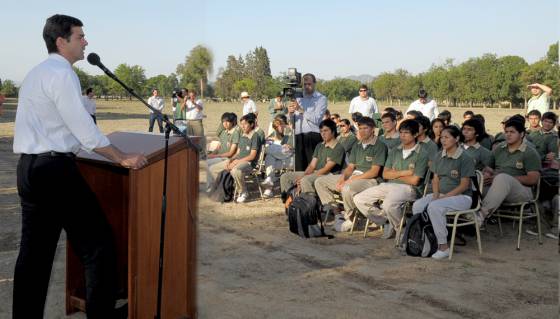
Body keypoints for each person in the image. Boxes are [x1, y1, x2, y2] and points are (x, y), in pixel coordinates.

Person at [12, 14, 147, 318]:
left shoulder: (35, 73)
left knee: (34, 256)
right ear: (62, 42)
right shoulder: (62, 74)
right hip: (54, 171)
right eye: (80, 37)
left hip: (30, 169)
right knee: (98, 246)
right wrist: (122, 157)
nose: (86, 41)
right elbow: (83, 129)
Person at [353, 120, 430, 239]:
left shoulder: (422, 153)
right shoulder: (395, 151)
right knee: (359, 199)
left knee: (389, 204)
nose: (403, 136)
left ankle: (402, 230)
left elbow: (414, 181)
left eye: (406, 133)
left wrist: (394, 173)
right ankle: (388, 220)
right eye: (401, 133)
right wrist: (405, 173)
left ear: (415, 135)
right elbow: (385, 174)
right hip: (389, 185)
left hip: (410, 189)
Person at [412, 126, 476, 259]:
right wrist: (436, 195)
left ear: (457, 138)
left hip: (462, 197)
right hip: (441, 195)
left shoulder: (465, 158)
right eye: (441, 137)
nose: (443, 140)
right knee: (417, 206)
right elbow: (435, 179)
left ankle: (443, 246)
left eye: (447, 137)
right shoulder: (439, 155)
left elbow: (464, 185)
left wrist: (443, 198)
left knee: (435, 207)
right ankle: (426, 239)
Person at [314, 117, 387, 222]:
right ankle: (337, 213)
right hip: (354, 177)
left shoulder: (379, 146)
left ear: (373, 129)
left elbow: (374, 172)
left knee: (347, 188)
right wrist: (343, 179)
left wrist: (351, 180)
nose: (362, 131)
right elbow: (350, 167)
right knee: (320, 181)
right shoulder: (357, 145)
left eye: (365, 128)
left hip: (370, 179)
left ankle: (350, 218)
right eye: (360, 128)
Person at [479, 117, 541, 220]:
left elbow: (533, 179)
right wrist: (486, 175)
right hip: (498, 187)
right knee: (474, 181)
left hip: (522, 191)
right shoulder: (499, 148)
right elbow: (488, 168)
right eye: (506, 131)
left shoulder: (529, 152)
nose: (508, 134)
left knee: (502, 178)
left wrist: (506, 178)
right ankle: (463, 215)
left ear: (521, 134)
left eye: (512, 132)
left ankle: (480, 216)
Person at [280, 119, 344, 196]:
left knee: (305, 180)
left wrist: (305, 177)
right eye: (321, 131)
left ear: (333, 131)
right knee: (285, 177)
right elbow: (312, 165)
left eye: (325, 131)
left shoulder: (338, 147)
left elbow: (326, 169)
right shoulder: (320, 145)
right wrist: (303, 176)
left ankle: (309, 203)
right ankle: (290, 203)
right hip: (315, 173)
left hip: (329, 175)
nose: (323, 134)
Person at [288, 73, 328, 171]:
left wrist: (301, 110)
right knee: (299, 168)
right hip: (298, 135)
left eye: (309, 84)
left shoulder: (321, 99)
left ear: (315, 83)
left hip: (313, 136)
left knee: (312, 168)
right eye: (304, 84)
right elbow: (292, 123)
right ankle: (299, 186)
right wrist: (290, 114)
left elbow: (317, 119)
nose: (306, 86)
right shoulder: (298, 98)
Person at [223, 114, 264, 203]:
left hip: (249, 163)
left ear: (252, 124)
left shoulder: (255, 136)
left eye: (245, 124)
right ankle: (227, 191)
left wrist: (237, 162)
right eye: (241, 124)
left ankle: (243, 192)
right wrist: (230, 160)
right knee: (226, 167)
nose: (243, 126)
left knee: (235, 170)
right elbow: (238, 153)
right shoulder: (242, 136)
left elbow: (252, 156)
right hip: (240, 161)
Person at [206, 112, 240, 190]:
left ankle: (211, 187)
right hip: (220, 157)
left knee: (208, 164)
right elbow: (219, 146)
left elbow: (231, 153)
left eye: (227, 121)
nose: (225, 124)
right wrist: (211, 154)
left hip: (227, 159)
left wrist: (214, 156)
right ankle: (212, 185)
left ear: (232, 122)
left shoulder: (235, 133)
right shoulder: (224, 132)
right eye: (223, 122)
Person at [262, 114, 294, 197]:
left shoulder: (290, 132)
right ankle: (269, 187)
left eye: (281, 124)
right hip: (279, 161)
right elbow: (266, 141)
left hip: (290, 159)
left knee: (271, 150)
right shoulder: (274, 133)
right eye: (277, 124)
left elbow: (290, 148)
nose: (279, 126)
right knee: (270, 157)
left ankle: (269, 184)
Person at [183, 90, 206, 156]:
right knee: (189, 137)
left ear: (195, 95)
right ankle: (192, 152)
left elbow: (200, 108)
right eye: (190, 96)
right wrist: (184, 101)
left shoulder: (199, 101)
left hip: (197, 121)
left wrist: (194, 103)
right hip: (188, 121)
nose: (191, 97)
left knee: (200, 137)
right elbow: (182, 109)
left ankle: (202, 153)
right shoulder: (187, 101)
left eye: (193, 95)